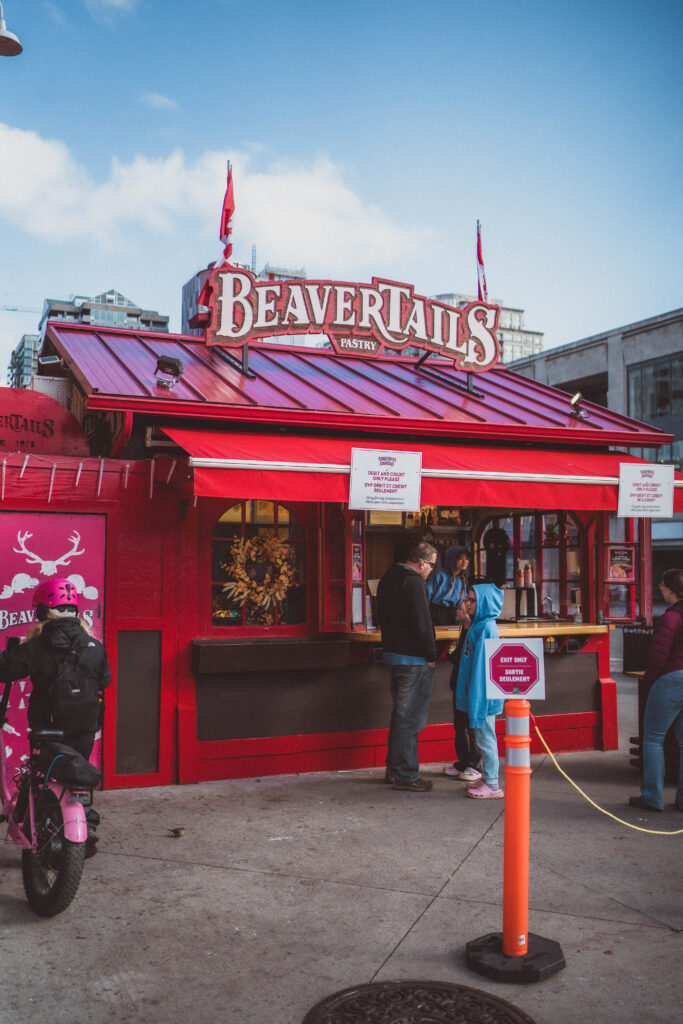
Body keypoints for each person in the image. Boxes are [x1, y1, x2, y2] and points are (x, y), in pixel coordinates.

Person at [0, 579, 111, 851]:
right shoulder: (94, 646)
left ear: (42, 612)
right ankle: (87, 821)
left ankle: (39, 823)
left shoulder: (38, 646)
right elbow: (104, 681)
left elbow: (5, 670)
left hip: (47, 726)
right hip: (85, 726)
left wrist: (12, 653)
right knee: (74, 775)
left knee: (43, 776)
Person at [377, 541, 438, 792]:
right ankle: (406, 773)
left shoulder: (388, 577)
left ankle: (394, 768)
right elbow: (422, 623)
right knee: (410, 718)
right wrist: (431, 653)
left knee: (400, 716)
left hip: (394, 654)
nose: (432, 570)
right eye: (432, 565)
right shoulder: (414, 582)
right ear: (421, 563)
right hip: (414, 659)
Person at [629, 568, 683, 813]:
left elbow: (659, 655)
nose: (660, 588)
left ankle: (652, 797)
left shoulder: (671, 617)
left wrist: (650, 679)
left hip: (671, 680)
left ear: (670, 589)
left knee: (653, 739)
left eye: (662, 585)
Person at [455, 582, 505, 798]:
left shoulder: (485, 628)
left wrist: (477, 700)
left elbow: (481, 671)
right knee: (484, 737)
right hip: (478, 694)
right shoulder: (479, 625)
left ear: (484, 603)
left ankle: (493, 784)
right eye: (468, 599)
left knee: (486, 739)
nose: (468, 603)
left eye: (473, 600)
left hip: (483, 696)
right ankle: (487, 779)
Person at [426, 545, 470, 626]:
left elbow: (462, 601)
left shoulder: (462, 579)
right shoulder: (439, 574)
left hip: (453, 614)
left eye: (466, 559)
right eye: (460, 558)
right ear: (452, 559)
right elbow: (426, 595)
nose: (464, 562)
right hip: (436, 613)